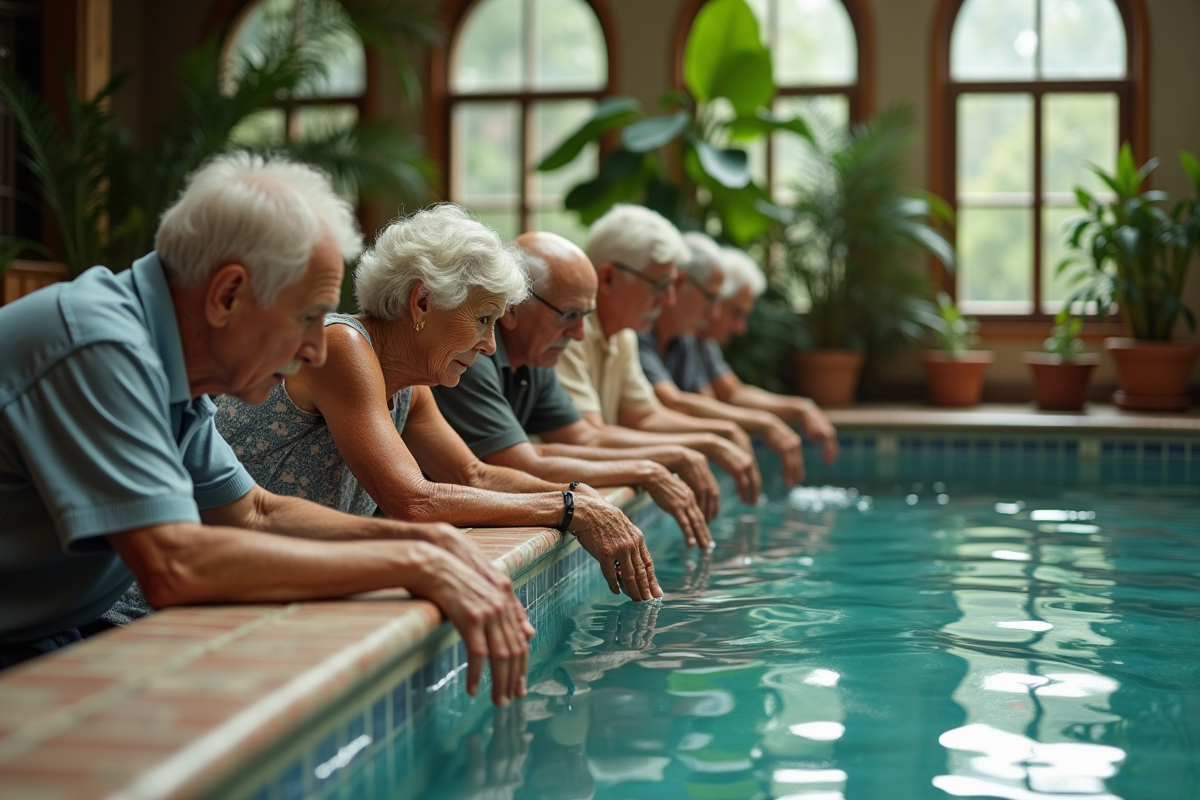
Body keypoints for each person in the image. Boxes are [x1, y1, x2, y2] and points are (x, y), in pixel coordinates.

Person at [0, 154, 531, 706]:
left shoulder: (165, 361)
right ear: (228, 295)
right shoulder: (99, 347)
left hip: (59, 633)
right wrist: (413, 562)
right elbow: (175, 565)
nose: (315, 349)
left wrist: (425, 541)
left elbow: (256, 512)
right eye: (307, 317)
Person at [215, 204, 662, 603]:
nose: (490, 345)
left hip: (267, 579)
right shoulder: (342, 346)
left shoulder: (407, 385)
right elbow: (414, 501)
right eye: (483, 319)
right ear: (422, 302)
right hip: (205, 583)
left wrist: (577, 497)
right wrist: (566, 509)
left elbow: (473, 473)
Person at [431, 231, 717, 549]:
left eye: (585, 317)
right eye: (568, 315)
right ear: (512, 307)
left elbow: (579, 438)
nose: (580, 334)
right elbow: (518, 463)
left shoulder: (534, 357)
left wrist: (660, 463)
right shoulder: (472, 354)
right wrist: (641, 472)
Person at [552, 205, 764, 504]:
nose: (669, 299)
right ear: (609, 278)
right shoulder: (570, 331)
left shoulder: (624, 334)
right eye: (661, 285)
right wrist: (697, 445)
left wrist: (718, 435)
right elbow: (586, 436)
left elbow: (644, 415)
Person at [637, 231, 806, 486]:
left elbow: (710, 399)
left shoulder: (683, 337)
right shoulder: (641, 329)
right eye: (713, 299)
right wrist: (755, 424)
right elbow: (674, 403)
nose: (714, 314)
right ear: (681, 283)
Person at [698, 247, 839, 465]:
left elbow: (731, 392)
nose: (740, 328)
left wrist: (801, 408)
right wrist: (763, 422)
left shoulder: (702, 341)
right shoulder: (683, 334)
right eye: (736, 313)